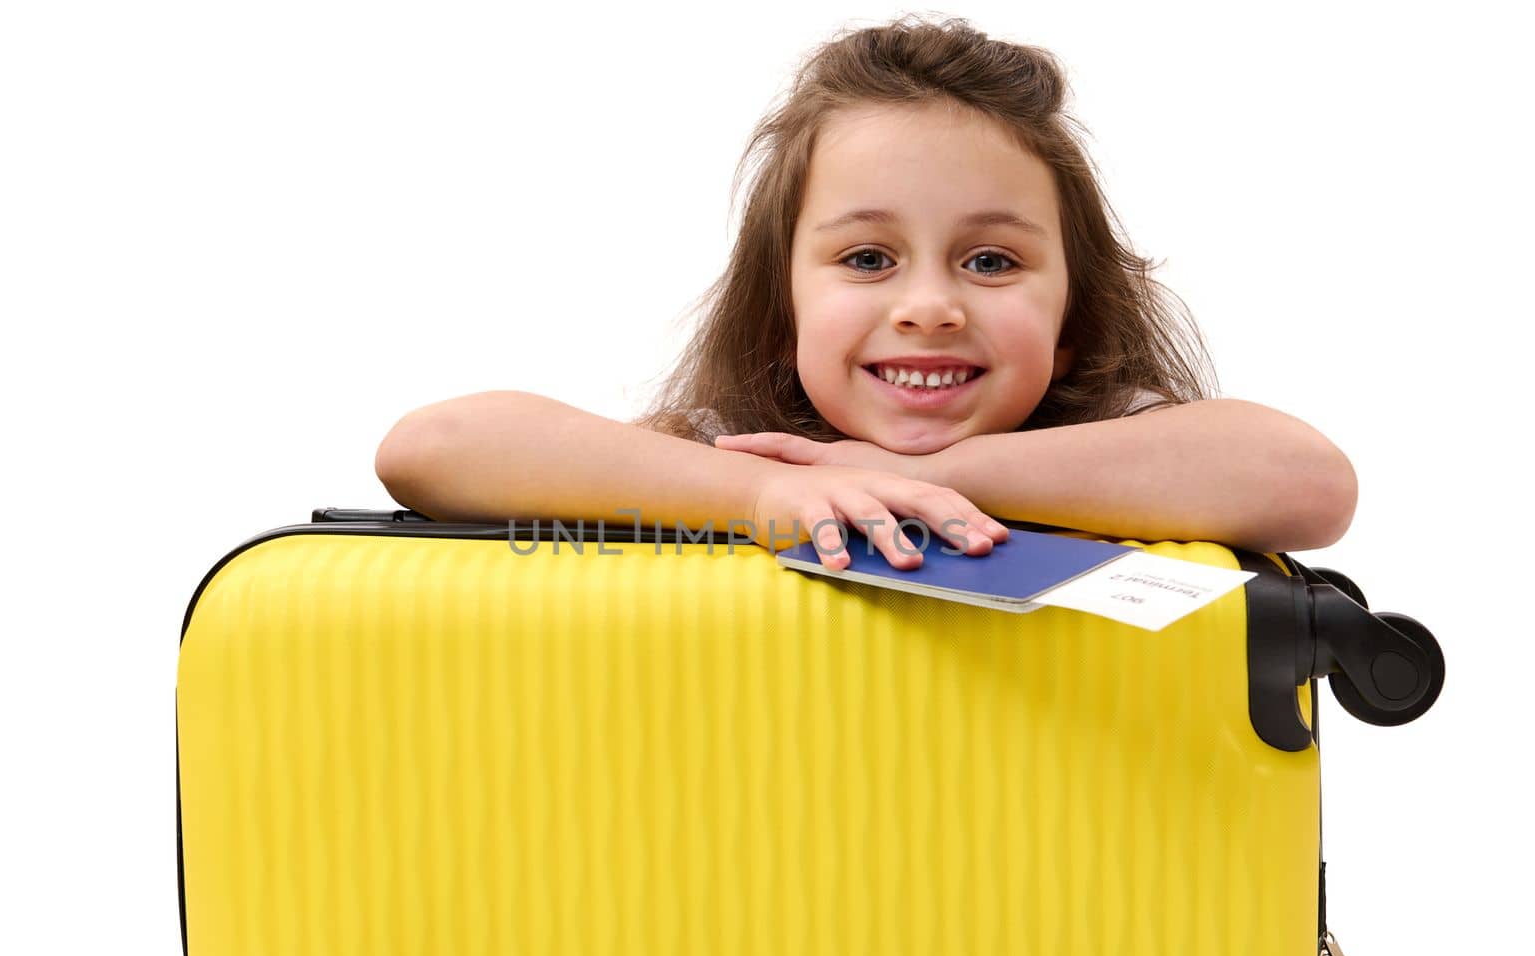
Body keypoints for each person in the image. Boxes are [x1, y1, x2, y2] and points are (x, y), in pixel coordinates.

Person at [374, 15, 1357, 569]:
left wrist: (937, 480)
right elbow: (432, 448)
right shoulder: (738, 447)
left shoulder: (1104, 440)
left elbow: (1308, 482)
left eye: (990, 262)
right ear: (782, 309)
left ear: (1070, 325)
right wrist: (775, 488)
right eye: (867, 259)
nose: (929, 305)